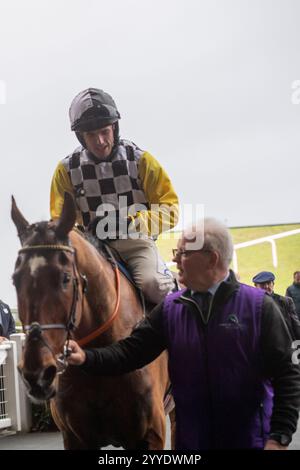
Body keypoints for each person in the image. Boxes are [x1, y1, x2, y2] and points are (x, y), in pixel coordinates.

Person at [65, 218, 300, 450]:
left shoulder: (260, 308)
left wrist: (279, 437)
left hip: (251, 442)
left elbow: (288, 375)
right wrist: (86, 357)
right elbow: (130, 353)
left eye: (184, 253)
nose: (175, 259)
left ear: (212, 259)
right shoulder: (169, 310)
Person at [50, 88, 178, 304]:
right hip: (90, 246)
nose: (100, 141)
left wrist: (129, 223)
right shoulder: (65, 169)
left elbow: (170, 210)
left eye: (104, 132)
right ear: (81, 136)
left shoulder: (141, 160)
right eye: (91, 135)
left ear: (114, 127)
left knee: (154, 285)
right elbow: (59, 222)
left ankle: (175, 331)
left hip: (135, 243)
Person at [252, 271, 300, 339]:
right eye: (262, 284)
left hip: (285, 344)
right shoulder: (251, 305)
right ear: (256, 286)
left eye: (269, 283)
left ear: (273, 284)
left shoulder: (286, 301)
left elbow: (296, 325)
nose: (266, 286)